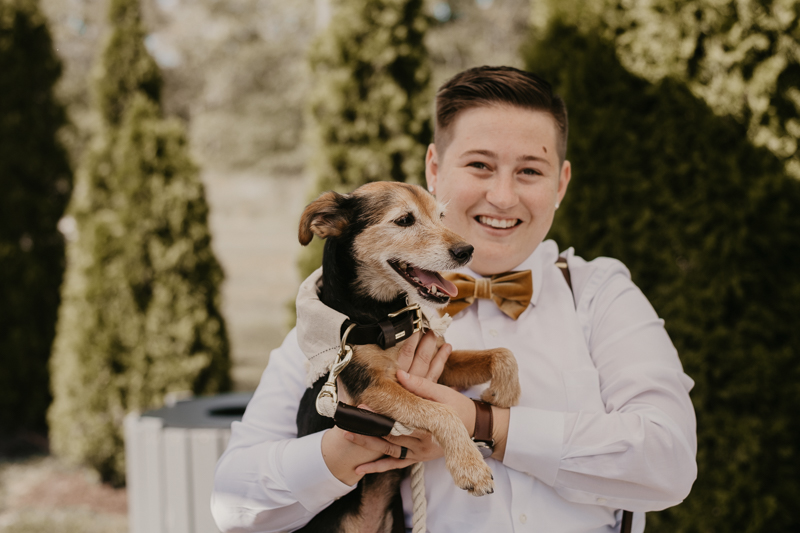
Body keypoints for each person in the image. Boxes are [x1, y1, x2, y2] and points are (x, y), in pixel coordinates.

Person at [211, 66, 697, 533]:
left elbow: (669, 463)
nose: (503, 196)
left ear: (561, 185)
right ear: (434, 171)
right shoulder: (341, 314)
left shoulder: (600, 293)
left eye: (530, 170)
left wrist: (485, 423)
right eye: (480, 165)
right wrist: (339, 455)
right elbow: (233, 503)